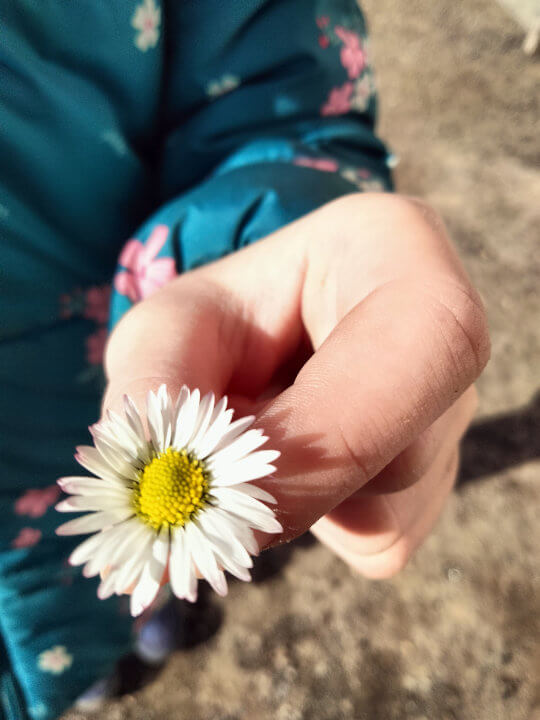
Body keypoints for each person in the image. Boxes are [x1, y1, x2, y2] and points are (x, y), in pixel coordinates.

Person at [0, 0, 489, 718]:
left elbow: (276, 91)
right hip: (105, 518)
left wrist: (282, 242)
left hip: (121, 383)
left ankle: (130, 628)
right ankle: (82, 663)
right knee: (112, 597)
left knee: (146, 584)